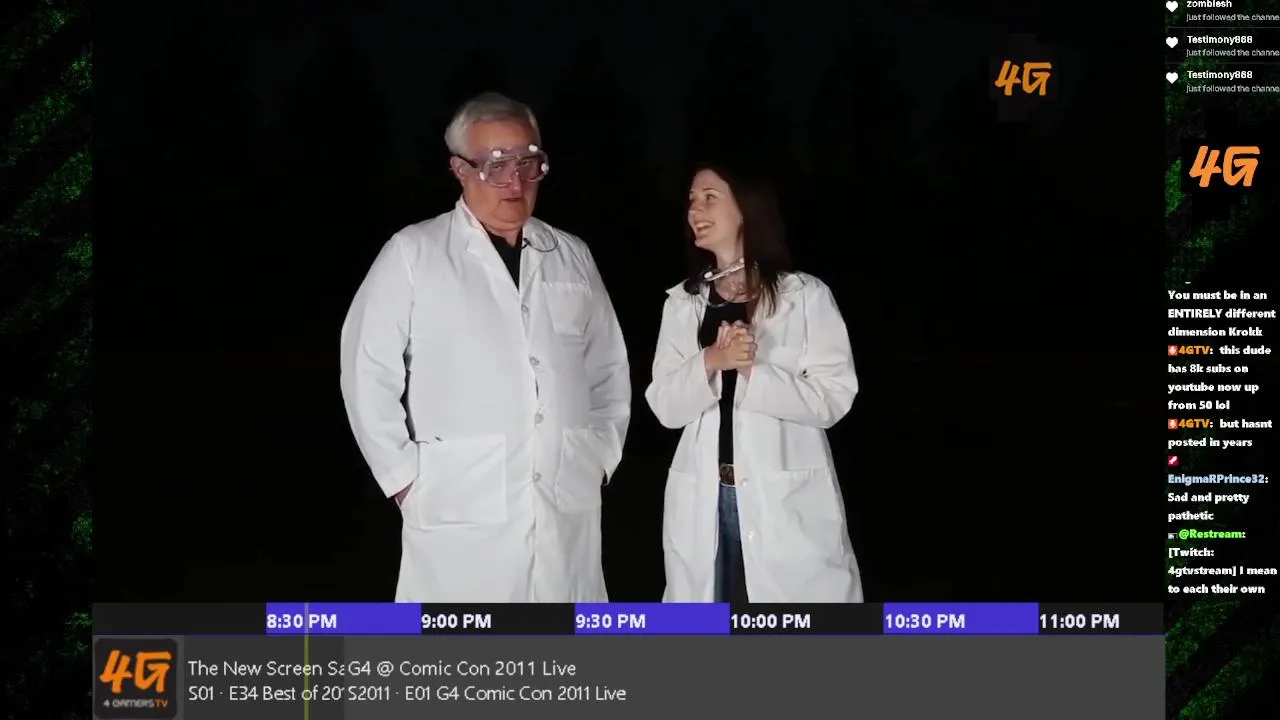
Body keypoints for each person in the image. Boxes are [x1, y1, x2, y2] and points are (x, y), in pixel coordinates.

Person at [339, 92, 631, 602]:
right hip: (456, 503)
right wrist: (403, 480)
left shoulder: (571, 254)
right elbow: (367, 371)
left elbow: (608, 366)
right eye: (496, 165)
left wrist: (599, 455)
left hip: (565, 498)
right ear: (460, 169)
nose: (515, 182)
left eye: (528, 163)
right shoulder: (414, 253)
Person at [644, 162, 864, 603]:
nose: (694, 211)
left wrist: (752, 370)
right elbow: (664, 406)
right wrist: (712, 359)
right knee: (707, 623)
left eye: (709, 198)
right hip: (707, 497)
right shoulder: (683, 303)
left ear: (747, 208)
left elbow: (833, 398)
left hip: (782, 497)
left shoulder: (805, 296)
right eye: (692, 201)